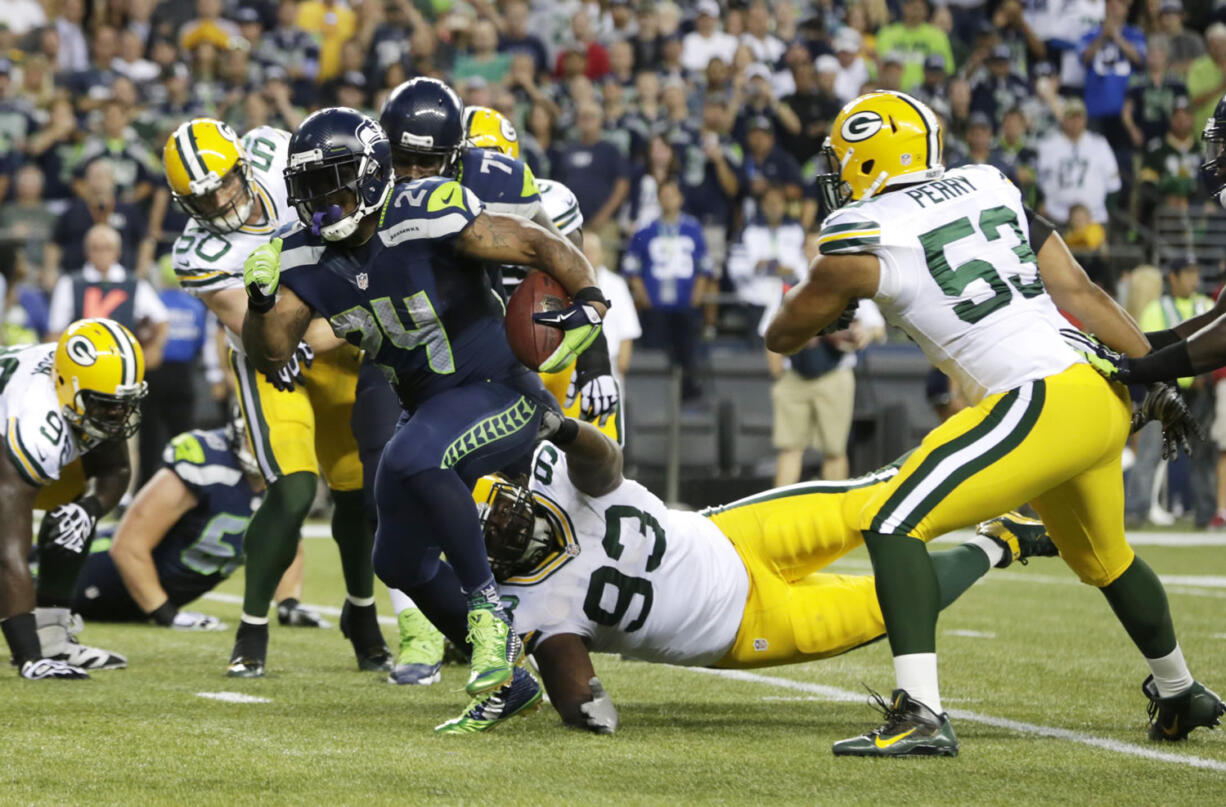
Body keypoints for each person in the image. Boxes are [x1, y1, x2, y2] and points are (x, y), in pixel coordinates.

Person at [764, 90, 1221, 756]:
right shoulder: (987, 183)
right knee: (1106, 558)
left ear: (865, 159)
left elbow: (783, 336)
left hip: (1034, 398)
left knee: (892, 517)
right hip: (1095, 391)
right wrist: (1155, 372)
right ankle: (1179, 690)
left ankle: (919, 711)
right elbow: (1082, 293)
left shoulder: (862, 231)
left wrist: (820, 307)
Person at [240, 107, 607, 731]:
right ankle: (511, 681)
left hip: (501, 388)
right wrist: (260, 300)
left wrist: (592, 301)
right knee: (396, 559)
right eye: (309, 188)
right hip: (428, 406)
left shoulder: (424, 209)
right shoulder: (301, 255)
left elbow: (539, 242)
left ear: (371, 174)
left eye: (333, 183)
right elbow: (272, 352)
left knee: (413, 458)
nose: (321, 202)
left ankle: (492, 617)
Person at [480, 419, 1058, 734]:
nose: (514, 527)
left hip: (734, 533)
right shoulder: (526, 608)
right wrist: (565, 686)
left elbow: (604, 461)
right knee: (891, 606)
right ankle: (1000, 540)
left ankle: (1013, 455)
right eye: (496, 534)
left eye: (507, 509)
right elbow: (591, 710)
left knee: (884, 496)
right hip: (742, 627)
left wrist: (564, 427)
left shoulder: (553, 474)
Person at [162, 118, 386, 678]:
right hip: (273, 363)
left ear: (244, 161)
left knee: (358, 494)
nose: (218, 200)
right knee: (292, 491)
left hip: (339, 349)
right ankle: (252, 626)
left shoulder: (280, 152)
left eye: (223, 183)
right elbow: (279, 340)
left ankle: (362, 615)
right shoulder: (196, 253)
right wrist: (358, 305)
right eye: (201, 196)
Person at [0, 319, 146, 679]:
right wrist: (28, 659)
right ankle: (34, 652)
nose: (117, 414)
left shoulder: (94, 387)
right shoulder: (34, 424)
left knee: (72, 517)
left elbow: (116, 471)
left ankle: (53, 639)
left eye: (122, 404)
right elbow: (7, 555)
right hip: (7, 430)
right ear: (66, 386)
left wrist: (89, 509)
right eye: (106, 405)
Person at [73, 417, 257, 627]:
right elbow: (128, 546)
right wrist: (167, 614)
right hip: (94, 570)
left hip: (137, 605)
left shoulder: (284, 483)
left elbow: (287, 543)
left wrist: (289, 603)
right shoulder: (207, 463)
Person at [622, 176, 712, 402]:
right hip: (655, 305)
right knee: (655, 354)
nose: (668, 200)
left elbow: (704, 266)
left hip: (685, 304)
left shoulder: (693, 229)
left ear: (681, 198)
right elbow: (632, 267)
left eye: (672, 195)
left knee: (688, 353)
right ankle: (656, 398)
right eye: (664, 196)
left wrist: (697, 296)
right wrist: (644, 296)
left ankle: (689, 398)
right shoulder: (647, 229)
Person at [46, 225, 169, 372]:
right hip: (81, 363)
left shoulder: (134, 284)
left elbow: (162, 320)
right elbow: (55, 330)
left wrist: (155, 346)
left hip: (123, 364)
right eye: (96, 249)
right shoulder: (69, 283)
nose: (102, 254)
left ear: (118, 252)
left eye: (107, 248)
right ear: (87, 252)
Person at [1036, 98, 1121, 225]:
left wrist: (1107, 211)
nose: (1075, 122)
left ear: (1085, 119)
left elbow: (1114, 184)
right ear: (1063, 119)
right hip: (1056, 217)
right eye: (1071, 117)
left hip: (1094, 219)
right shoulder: (1048, 145)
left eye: (1079, 117)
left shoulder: (1099, 144)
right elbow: (1039, 182)